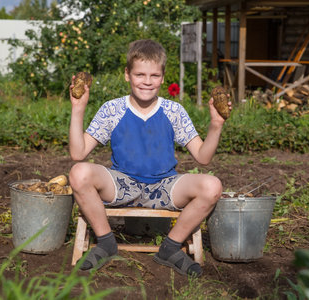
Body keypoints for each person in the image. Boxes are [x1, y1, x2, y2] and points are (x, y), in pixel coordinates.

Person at [68, 39, 231, 277]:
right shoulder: (112, 109)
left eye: (154, 75)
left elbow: (202, 157)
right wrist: (78, 109)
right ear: (127, 75)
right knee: (78, 172)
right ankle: (105, 242)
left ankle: (171, 247)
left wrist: (216, 125)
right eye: (140, 74)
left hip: (164, 186)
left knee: (212, 185)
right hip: (122, 184)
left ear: (163, 77)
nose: (147, 81)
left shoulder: (174, 111)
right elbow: (78, 153)